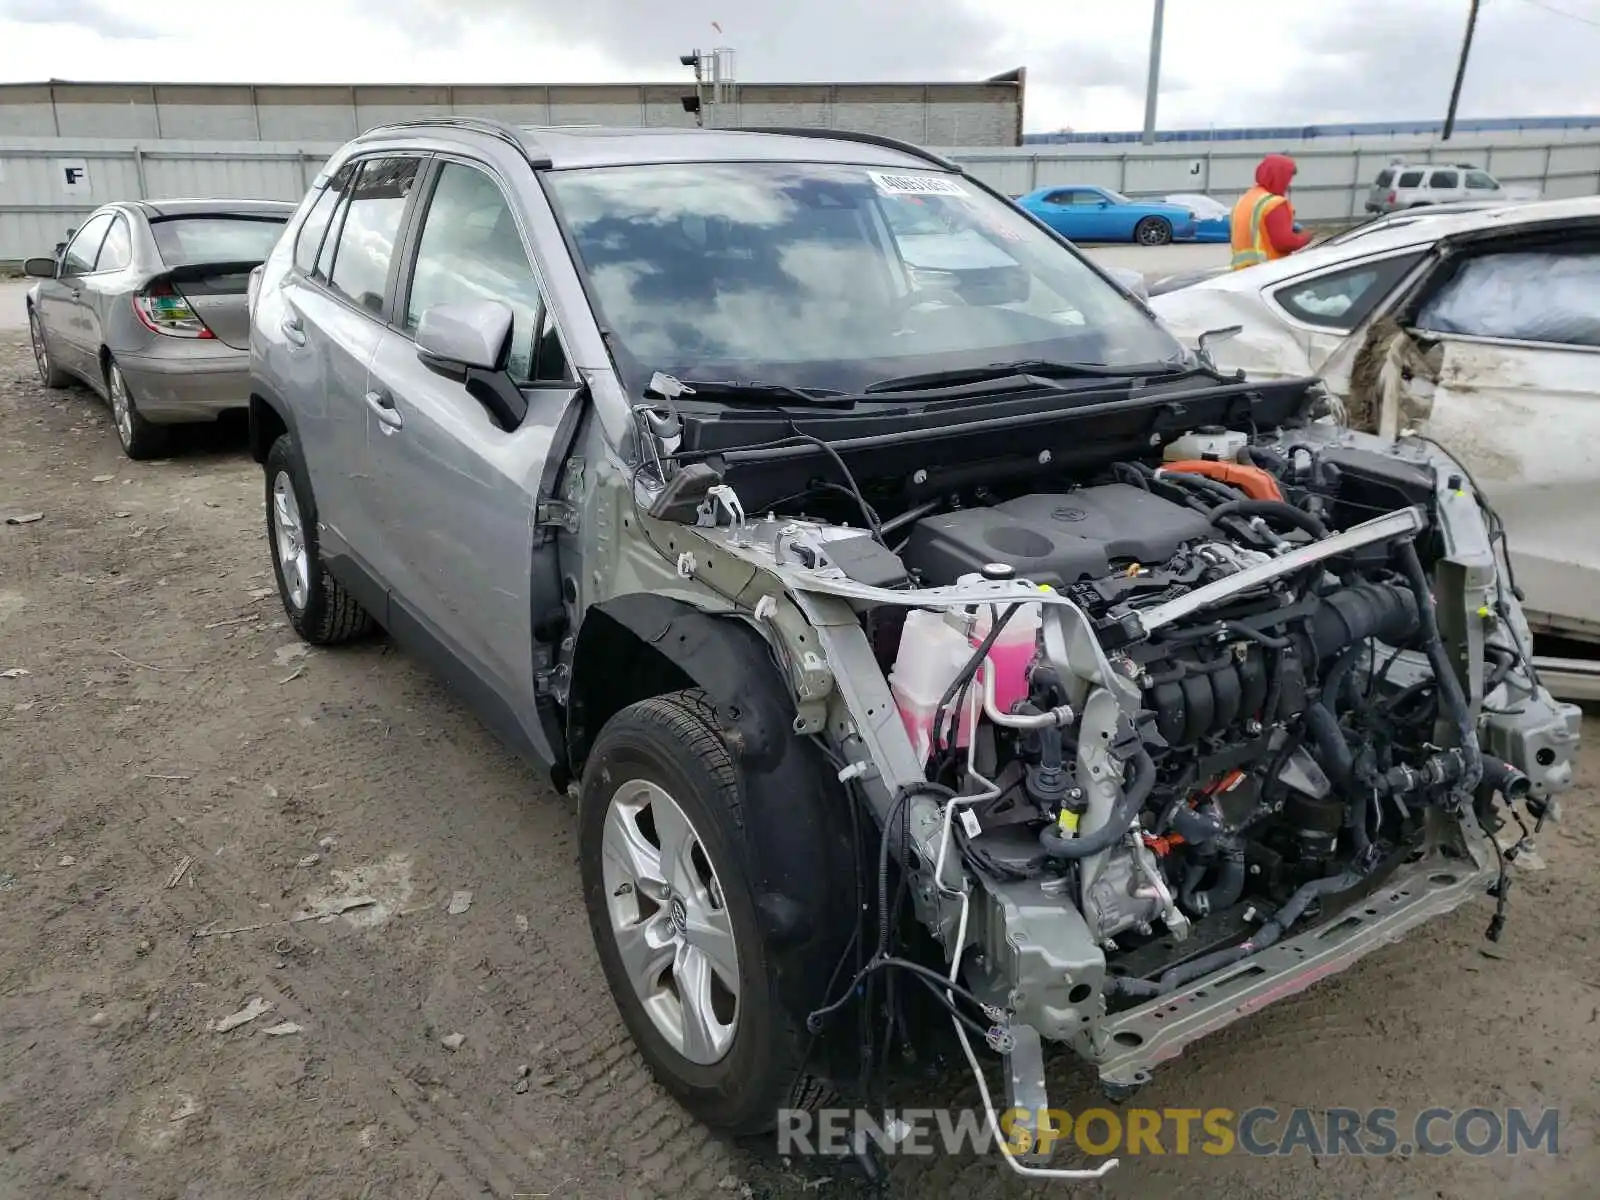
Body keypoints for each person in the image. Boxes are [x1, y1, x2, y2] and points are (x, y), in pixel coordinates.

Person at [1229, 153, 1312, 270]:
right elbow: (1284, 243)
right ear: (1280, 176)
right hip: (1269, 271)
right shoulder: (1274, 203)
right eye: (1288, 178)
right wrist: (1306, 237)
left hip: (1242, 272)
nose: (1288, 184)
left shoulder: (1244, 200)